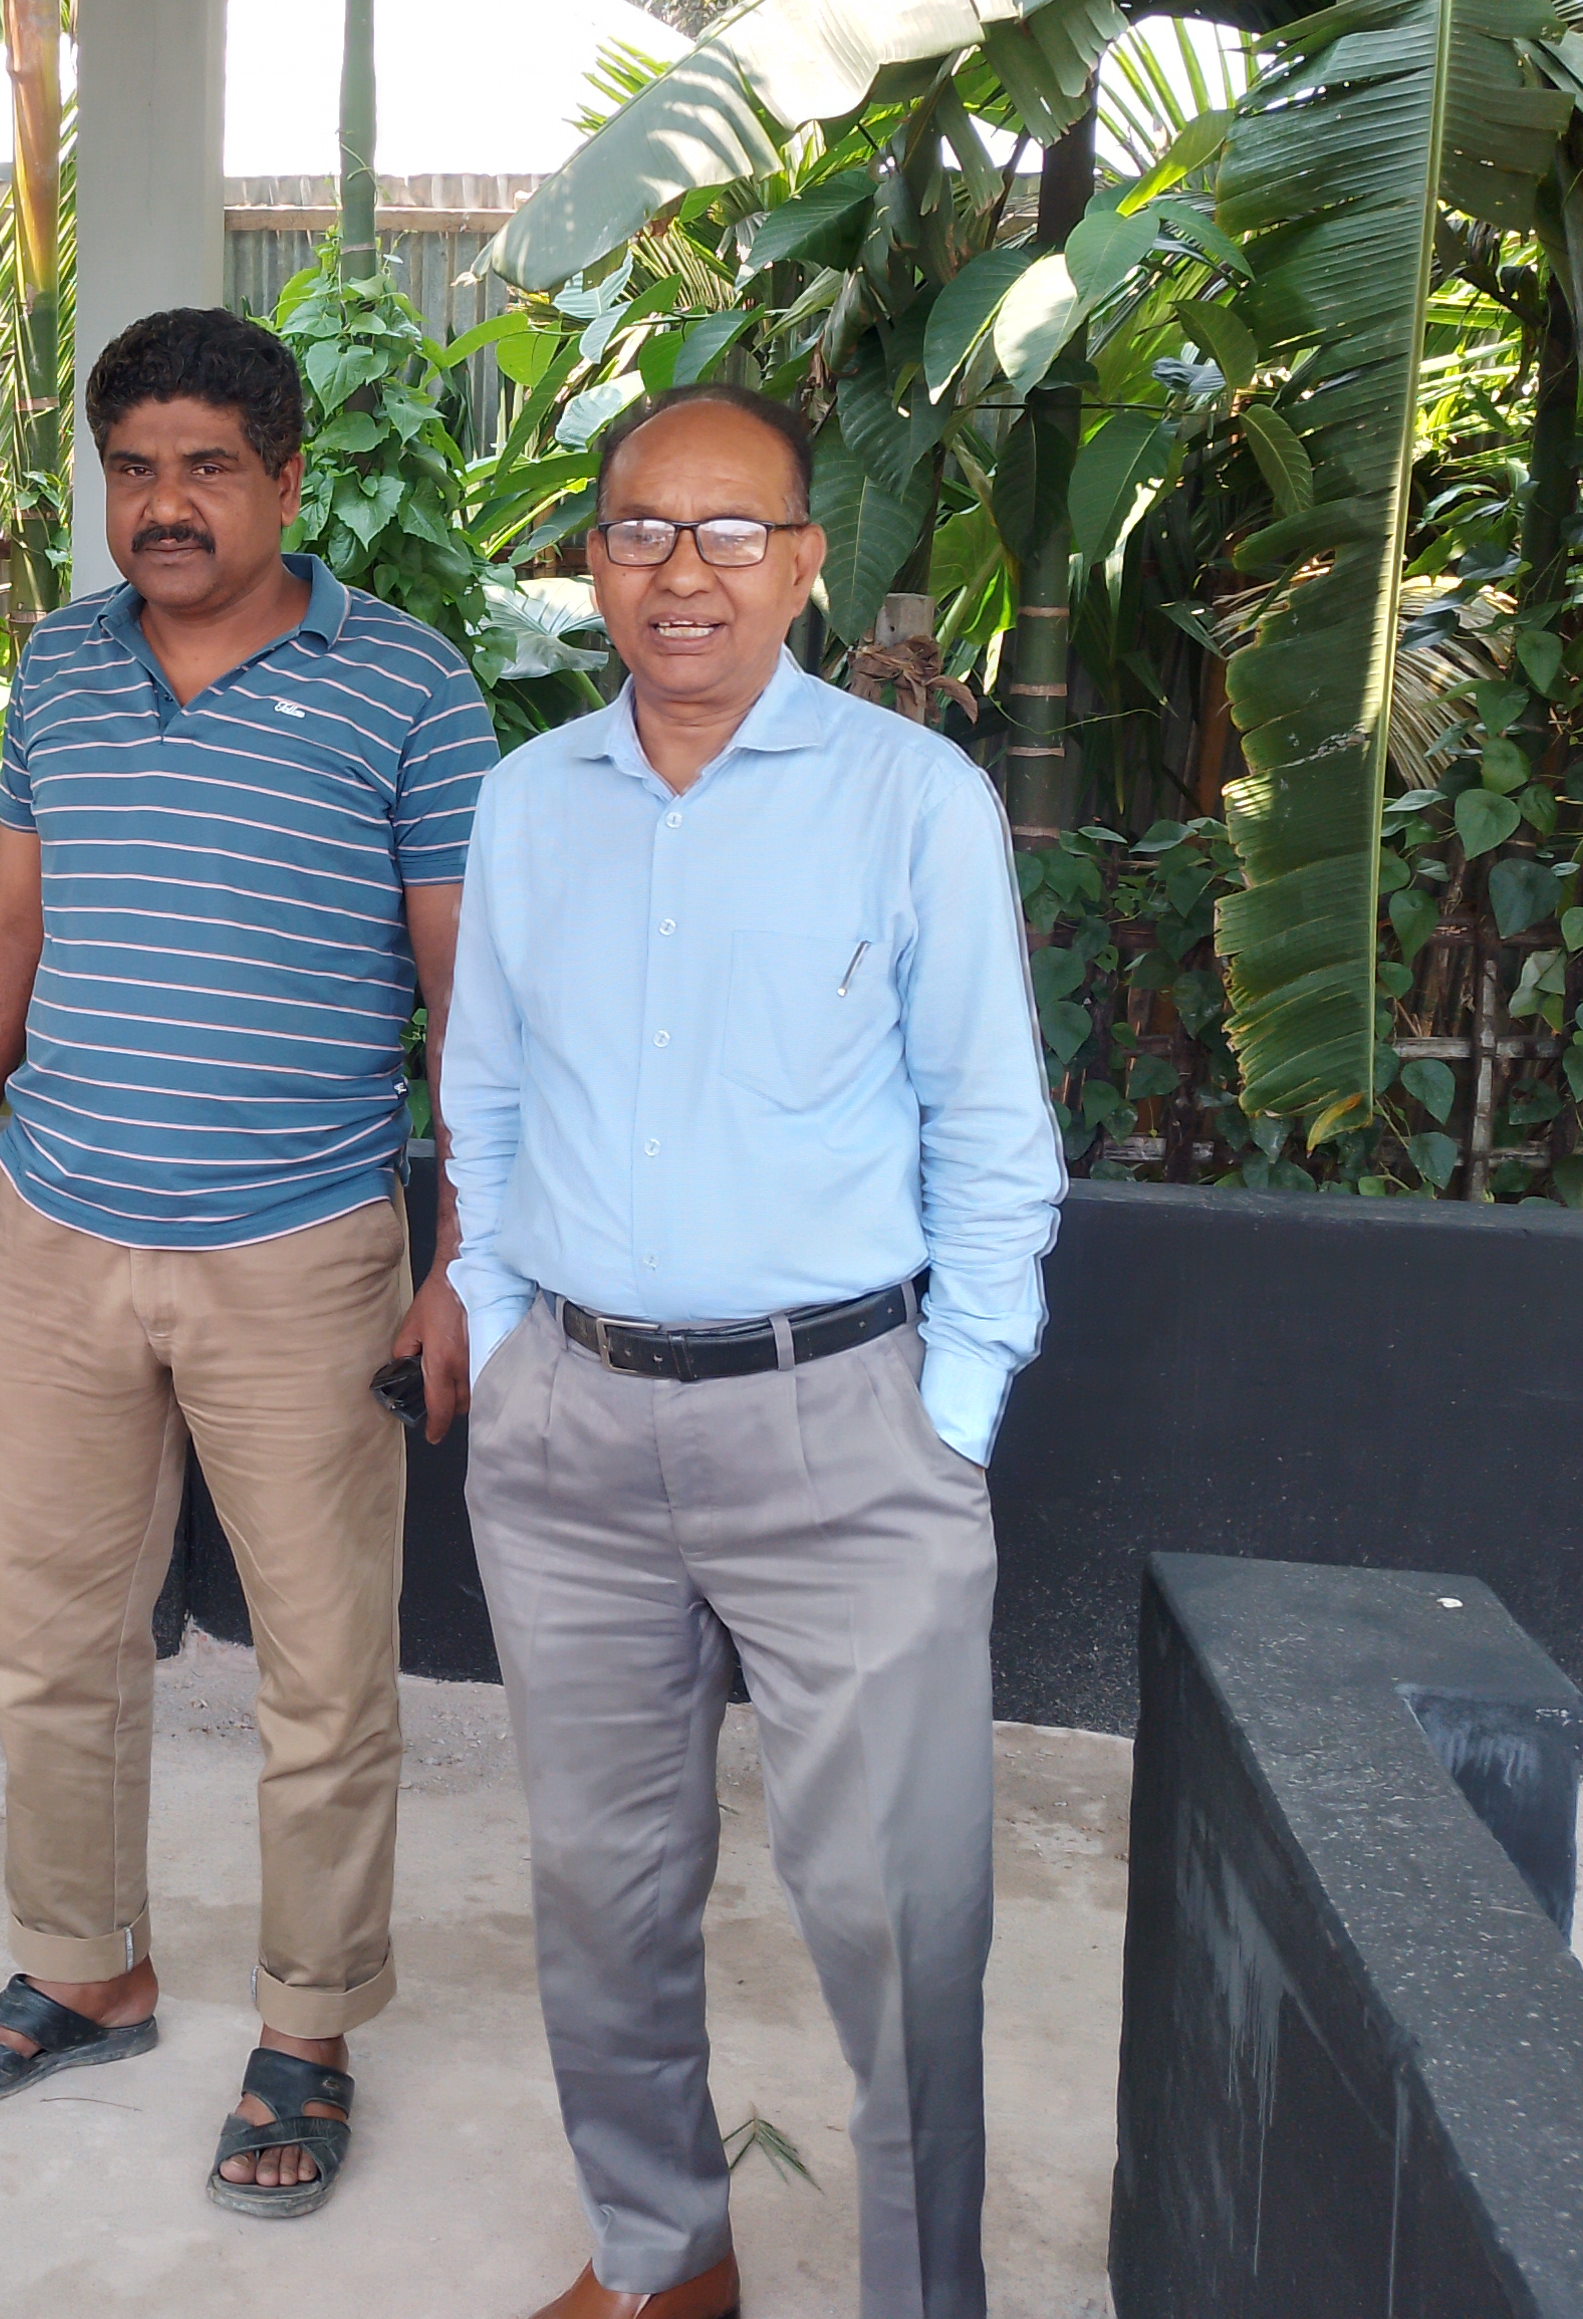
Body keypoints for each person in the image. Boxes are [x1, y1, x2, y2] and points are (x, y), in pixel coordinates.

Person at [434, 384, 1063, 2319]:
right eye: (641, 530)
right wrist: (500, 1334)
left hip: (843, 1432)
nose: (681, 573)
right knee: (600, 1890)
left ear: (803, 564)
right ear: (593, 559)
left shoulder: (911, 801)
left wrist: (950, 1414)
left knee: (899, 1919)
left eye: (731, 534)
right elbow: (484, 1097)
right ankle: (664, 2259)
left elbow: (993, 1133)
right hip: (571, 1435)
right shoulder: (531, 802)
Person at [0, 304, 499, 2218]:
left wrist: (465, 1259)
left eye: (208, 469)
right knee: (52, 1645)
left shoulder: (407, 687)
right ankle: (87, 1970)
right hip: (61, 1234)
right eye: (134, 469)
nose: (165, 505)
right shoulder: (60, 671)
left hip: (303, 1254)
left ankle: (308, 2025)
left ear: (288, 483)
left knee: (324, 1677)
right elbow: (9, 932)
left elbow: (469, 1001)